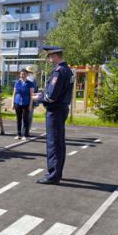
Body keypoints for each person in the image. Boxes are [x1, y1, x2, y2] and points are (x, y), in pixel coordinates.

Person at [34, 46, 74, 185]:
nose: (49, 60)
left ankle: (53, 175)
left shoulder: (59, 71)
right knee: (59, 142)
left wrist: (38, 98)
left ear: (56, 55)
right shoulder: (67, 70)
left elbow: (51, 96)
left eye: (50, 56)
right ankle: (57, 172)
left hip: (55, 110)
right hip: (61, 109)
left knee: (54, 143)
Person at [12, 69, 34, 140]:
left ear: (27, 75)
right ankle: (18, 134)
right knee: (18, 119)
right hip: (17, 103)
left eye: (24, 74)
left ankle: (24, 135)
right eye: (21, 74)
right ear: (20, 75)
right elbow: (14, 94)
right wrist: (13, 103)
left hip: (26, 103)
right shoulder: (17, 83)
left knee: (25, 119)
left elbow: (32, 95)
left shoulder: (30, 83)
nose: (22, 75)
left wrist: (30, 105)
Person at [26, 65, 39, 134]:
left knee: (30, 116)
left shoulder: (34, 80)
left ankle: (27, 130)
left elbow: (36, 91)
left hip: (32, 101)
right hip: (25, 101)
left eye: (30, 72)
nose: (29, 73)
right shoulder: (24, 79)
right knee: (24, 116)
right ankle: (24, 130)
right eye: (27, 72)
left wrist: (35, 102)